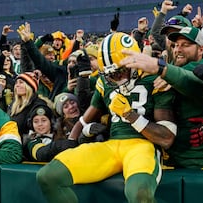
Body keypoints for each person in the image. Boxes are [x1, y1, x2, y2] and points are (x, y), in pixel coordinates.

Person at [36, 32, 176, 203]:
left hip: (142, 146)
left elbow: (167, 138)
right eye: (110, 73)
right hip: (111, 145)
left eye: (120, 71)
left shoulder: (154, 79)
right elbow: (85, 118)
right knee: (48, 176)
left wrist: (129, 114)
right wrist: (72, 139)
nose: (115, 77)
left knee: (140, 195)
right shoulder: (104, 81)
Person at [120, 26, 203, 168]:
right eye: (175, 45)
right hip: (170, 159)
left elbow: (191, 80)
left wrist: (165, 70)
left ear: (201, 49)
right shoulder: (170, 69)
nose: (178, 49)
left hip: (198, 162)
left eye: (185, 45)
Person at [8, 72, 47, 138]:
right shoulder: (14, 104)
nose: (17, 85)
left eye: (21, 82)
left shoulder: (38, 105)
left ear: (29, 86)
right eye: (16, 83)